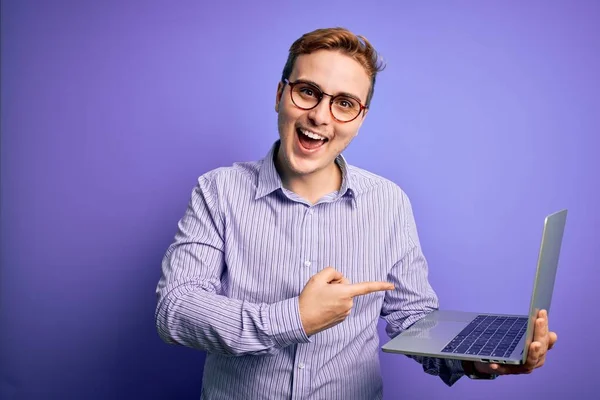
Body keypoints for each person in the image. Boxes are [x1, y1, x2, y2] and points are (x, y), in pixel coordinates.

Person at [155, 27, 557, 399]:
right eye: (308, 91)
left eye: (344, 103)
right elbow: (176, 307)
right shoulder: (217, 190)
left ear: (360, 118)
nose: (320, 116)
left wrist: (475, 358)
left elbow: (413, 321)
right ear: (280, 94)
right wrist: (294, 317)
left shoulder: (389, 201)